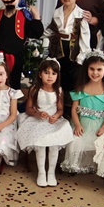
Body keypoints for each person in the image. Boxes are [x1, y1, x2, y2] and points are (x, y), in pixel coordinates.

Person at [17, 59, 74, 187]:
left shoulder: (59, 91)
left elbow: (60, 110)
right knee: (40, 143)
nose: (50, 76)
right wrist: (38, 113)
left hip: (53, 121)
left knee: (54, 143)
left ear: (57, 76)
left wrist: (56, 116)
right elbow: (28, 108)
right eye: (46, 73)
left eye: (53, 73)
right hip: (37, 120)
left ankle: (51, 172)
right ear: (40, 74)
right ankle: (41, 172)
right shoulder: (35, 89)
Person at [61, 50, 104, 174]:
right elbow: (74, 109)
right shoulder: (81, 88)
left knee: (99, 143)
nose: (95, 73)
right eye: (91, 69)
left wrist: (103, 129)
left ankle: (94, 164)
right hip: (82, 124)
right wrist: (77, 125)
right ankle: (77, 165)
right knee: (75, 141)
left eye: (99, 69)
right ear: (86, 69)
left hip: (99, 126)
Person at [43, 0, 91, 104]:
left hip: (73, 51)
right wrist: (42, 38)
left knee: (72, 80)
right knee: (58, 77)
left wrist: (81, 58)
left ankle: (70, 107)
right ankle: (57, 105)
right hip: (58, 49)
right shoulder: (57, 12)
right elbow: (51, 30)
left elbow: (85, 38)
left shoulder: (81, 15)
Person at [0, 0, 44, 89]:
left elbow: (37, 33)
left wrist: (36, 17)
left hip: (16, 58)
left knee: (14, 85)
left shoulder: (23, 16)